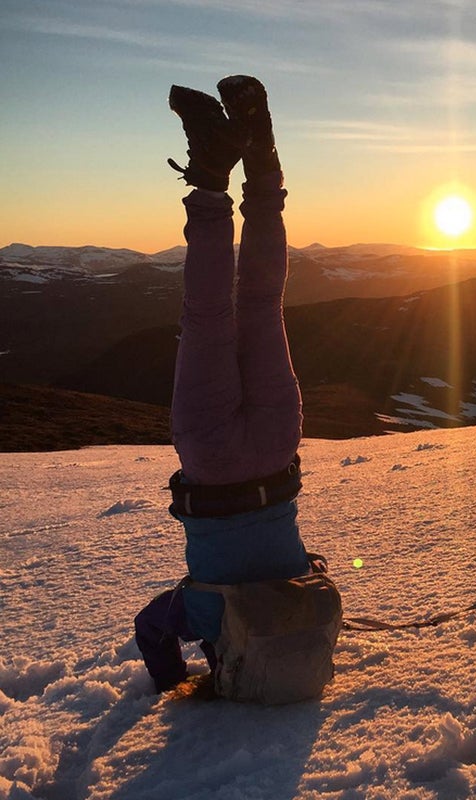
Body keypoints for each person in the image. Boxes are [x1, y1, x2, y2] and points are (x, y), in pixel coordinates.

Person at [134, 76, 314, 693]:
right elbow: (150, 631)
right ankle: (212, 172)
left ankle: (260, 159)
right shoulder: (206, 615)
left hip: (277, 445)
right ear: (224, 657)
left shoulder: (305, 597)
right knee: (209, 313)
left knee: (264, 303)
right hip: (211, 460)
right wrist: (171, 685)